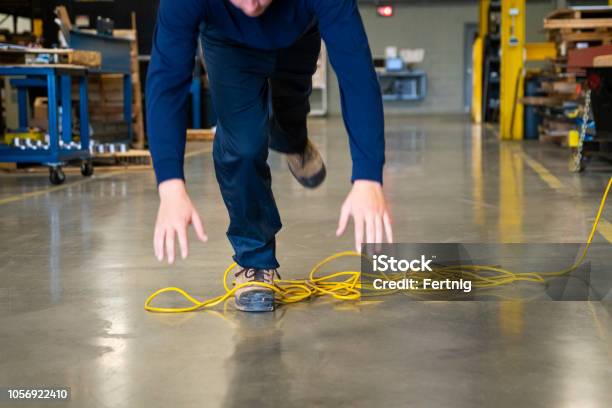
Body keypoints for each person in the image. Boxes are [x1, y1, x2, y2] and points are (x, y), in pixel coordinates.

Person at [146, 0, 393, 312]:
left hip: (297, 40)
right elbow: (167, 82)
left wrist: (368, 177)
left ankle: (292, 141)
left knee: (289, 121)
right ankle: (256, 263)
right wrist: (170, 185)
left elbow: (356, 75)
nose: (251, 5)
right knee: (244, 145)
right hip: (228, 45)